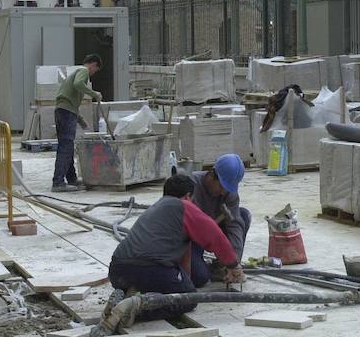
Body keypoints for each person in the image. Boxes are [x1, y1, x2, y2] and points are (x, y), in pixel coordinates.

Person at [108, 175, 244, 320]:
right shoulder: (184, 206)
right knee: (188, 299)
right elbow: (215, 236)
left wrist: (184, 283)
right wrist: (233, 265)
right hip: (148, 269)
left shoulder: (156, 208)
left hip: (117, 271)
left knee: (174, 287)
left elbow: (184, 254)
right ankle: (133, 310)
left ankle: (127, 295)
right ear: (187, 196)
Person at [186, 153, 250, 288]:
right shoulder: (191, 186)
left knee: (243, 215)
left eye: (226, 189)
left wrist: (234, 262)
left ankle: (221, 266)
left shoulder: (229, 194)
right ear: (212, 175)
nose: (222, 192)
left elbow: (234, 226)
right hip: (191, 237)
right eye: (221, 187)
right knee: (199, 278)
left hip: (214, 230)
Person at [52, 54, 103, 192]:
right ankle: (58, 182)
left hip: (64, 111)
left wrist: (80, 120)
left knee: (67, 146)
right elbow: (78, 85)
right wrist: (94, 93)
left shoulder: (76, 73)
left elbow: (69, 101)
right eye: (95, 70)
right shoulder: (83, 71)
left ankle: (72, 179)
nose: (93, 73)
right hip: (65, 112)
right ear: (93, 65)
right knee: (66, 147)